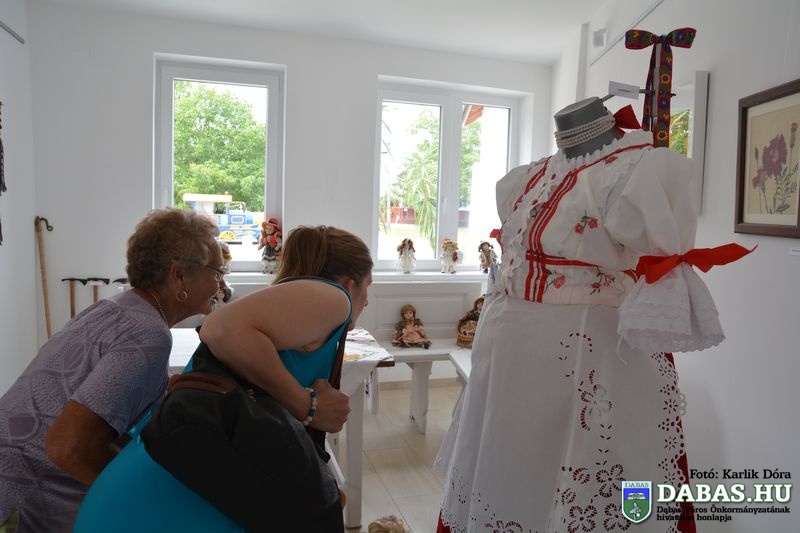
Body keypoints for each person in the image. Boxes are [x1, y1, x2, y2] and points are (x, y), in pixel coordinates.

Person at [435, 97, 748, 532]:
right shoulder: (528, 177)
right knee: (508, 477)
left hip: (587, 362)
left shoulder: (639, 171)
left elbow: (660, 261)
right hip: (507, 365)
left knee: (584, 484)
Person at [73, 225, 373, 532]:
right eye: (368, 287)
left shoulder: (291, 317)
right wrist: (307, 405)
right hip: (170, 499)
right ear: (348, 284)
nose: (367, 301)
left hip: (151, 489)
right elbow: (219, 328)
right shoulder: (337, 299)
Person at [0, 207, 222, 532]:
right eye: (217, 271)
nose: (221, 282)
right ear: (179, 276)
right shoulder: (148, 334)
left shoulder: (114, 307)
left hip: (30, 483)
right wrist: (144, 498)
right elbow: (67, 447)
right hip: (39, 489)